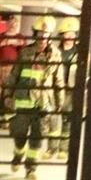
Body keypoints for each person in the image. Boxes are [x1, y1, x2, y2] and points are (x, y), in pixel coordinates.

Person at [7, 16, 63, 180]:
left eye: (46, 35)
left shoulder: (55, 56)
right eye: (40, 34)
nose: (42, 38)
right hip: (22, 103)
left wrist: (59, 104)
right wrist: (7, 95)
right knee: (19, 136)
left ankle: (31, 169)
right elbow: (14, 75)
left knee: (37, 140)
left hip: (43, 105)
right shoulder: (25, 52)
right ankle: (18, 155)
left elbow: (58, 80)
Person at [44, 16, 79, 161]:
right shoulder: (54, 51)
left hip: (71, 90)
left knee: (67, 120)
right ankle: (51, 149)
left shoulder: (80, 53)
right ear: (62, 35)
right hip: (55, 89)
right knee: (53, 119)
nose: (69, 36)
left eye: (72, 33)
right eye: (67, 33)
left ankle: (63, 149)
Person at [0, 15, 26, 128]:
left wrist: (15, 42)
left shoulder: (21, 37)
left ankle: (7, 119)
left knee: (9, 93)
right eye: (11, 23)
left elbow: (24, 50)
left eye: (15, 24)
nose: (13, 26)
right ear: (7, 24)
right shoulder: (1, 36)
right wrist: (5, 42)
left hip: (14, 70)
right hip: (1, 68)